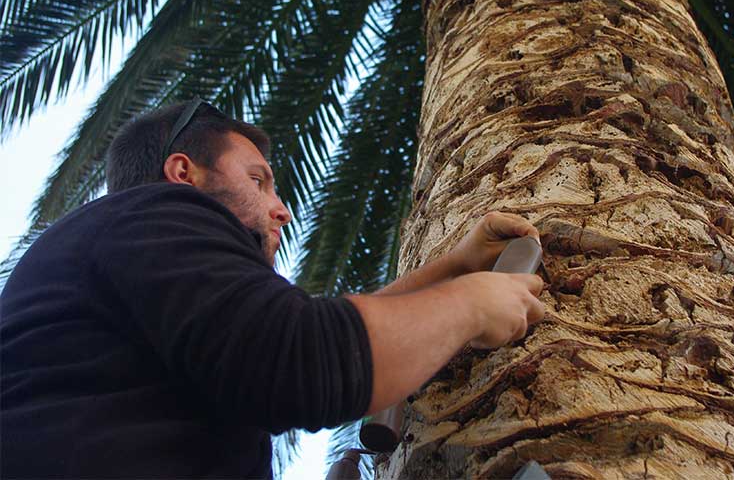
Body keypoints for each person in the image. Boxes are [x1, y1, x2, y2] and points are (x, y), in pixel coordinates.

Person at [0, 99, 546, 478]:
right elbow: (301, 355)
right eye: (258, 180)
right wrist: (470, 303)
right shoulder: (152, 213)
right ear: (183, 172)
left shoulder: (125, 265)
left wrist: (454, 267)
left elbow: (306, 331)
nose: (281, 208)